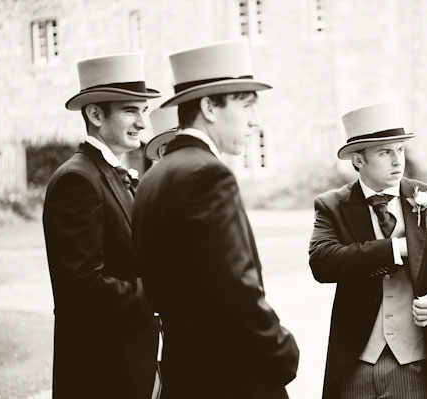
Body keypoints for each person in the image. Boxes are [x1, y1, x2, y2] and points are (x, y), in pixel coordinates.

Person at [131, 40, 299, 399]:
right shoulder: (208, 174)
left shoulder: (152, 178)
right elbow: (236, 287)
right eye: (246, 105)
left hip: (182, 372)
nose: (256, 120)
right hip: (232, 376)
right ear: (209, 106)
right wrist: (282, 349)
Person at [309, 102, 427, 399]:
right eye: (385, 152)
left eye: (399, 149)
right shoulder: (333, 205)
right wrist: (393, 249)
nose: (397, 160)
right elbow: (322, 263)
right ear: (358, 160)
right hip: (354, 362)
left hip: (416, 363)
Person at [42, 54, 161, 399]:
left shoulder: (116, 175)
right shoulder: (76, 180)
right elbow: (82, 287)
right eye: (130, 111)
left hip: (132, 361)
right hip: (101, 370)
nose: (142, 123)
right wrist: (160, 291)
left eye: (143, 111)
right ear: (95, 115)